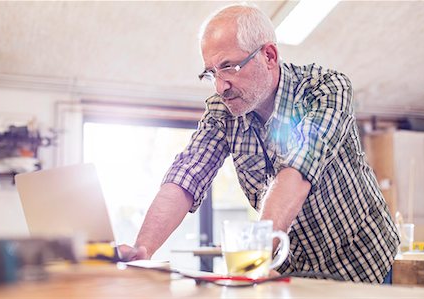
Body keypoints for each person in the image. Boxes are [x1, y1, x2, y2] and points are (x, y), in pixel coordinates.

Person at [119, 3, 399, 283]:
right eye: (212, 73)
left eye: (228, 67)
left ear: (269, 55)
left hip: (364, 263)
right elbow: (188, 173)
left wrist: (255, 255)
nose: (220, 86)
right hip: (294, 271)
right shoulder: (222, 110)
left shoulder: (326, 89)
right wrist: (143, 249)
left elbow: (298, 170)